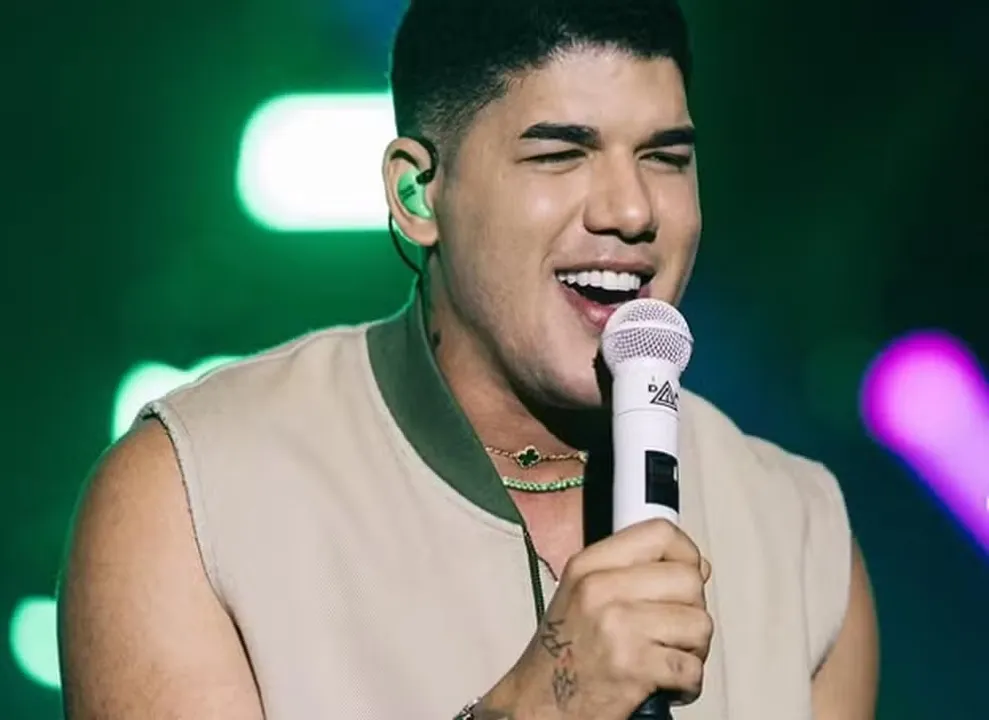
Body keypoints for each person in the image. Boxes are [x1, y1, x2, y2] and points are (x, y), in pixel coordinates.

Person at [57, 0, 879, 718]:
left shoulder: (799, 533)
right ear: (416, 194)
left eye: (665, 157)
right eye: (559, 154)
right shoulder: (192, 495)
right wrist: (539, 706)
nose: (631, 210)